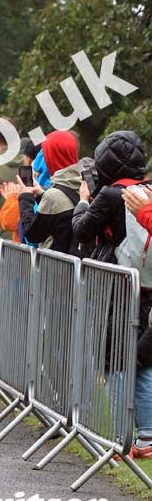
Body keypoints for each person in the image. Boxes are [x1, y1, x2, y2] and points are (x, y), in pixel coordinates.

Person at [72, 130, 151, 459]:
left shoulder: (109, 194)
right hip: (146, 288)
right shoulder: (147, 191)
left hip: (118, 287)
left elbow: (81, 230)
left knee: (116, 362)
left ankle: (119, 438)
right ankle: (146, 437)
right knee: (144, 363)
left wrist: (81, 201)